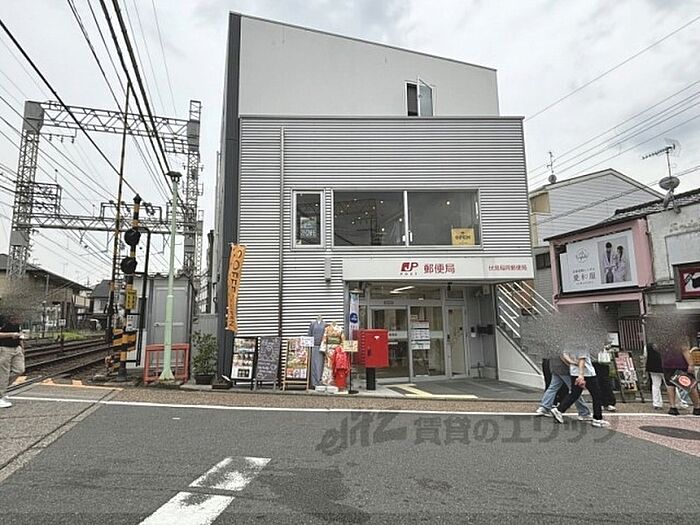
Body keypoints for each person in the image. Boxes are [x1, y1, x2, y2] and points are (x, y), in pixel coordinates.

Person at [550, 347, 609, 427]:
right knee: (596, 395)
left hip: (574, 372)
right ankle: (597, 418)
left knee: (574, 394)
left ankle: (559, 409)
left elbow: (564, 355)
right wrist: (581, 375)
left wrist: (572, 363)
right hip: (587, 373)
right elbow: (582, 359)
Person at [535, 352, 591, 420]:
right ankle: (584, 412)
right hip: (564, 368)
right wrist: (573, 364)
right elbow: (563, 356)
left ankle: (544, 407)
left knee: (553, 388)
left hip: (554, 366)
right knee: (575, 391)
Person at [661, 338, 700, 416]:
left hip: (667, 364)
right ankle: (697, 407)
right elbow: (684, 349)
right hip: (681, 364)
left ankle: (672, 407)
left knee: (670, 385)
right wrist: (691, 364)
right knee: (690, 385)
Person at [0, 313, 25, 409]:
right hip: (4, 348)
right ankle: (0, 395)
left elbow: (19, 333)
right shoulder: (2, 319)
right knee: (3, 373)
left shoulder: (17, 322)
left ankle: (2, 390)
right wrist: (11, 335)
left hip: (16, 348)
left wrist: (22, 346)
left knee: (19, 370)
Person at [646, 343, 665, 410]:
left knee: (655, 385)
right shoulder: (665, 342)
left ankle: (657, 403)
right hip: (665, 366)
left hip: (652, 366)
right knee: (670, 385)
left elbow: (645, 356)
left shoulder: (648, 345)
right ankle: (678, 402)